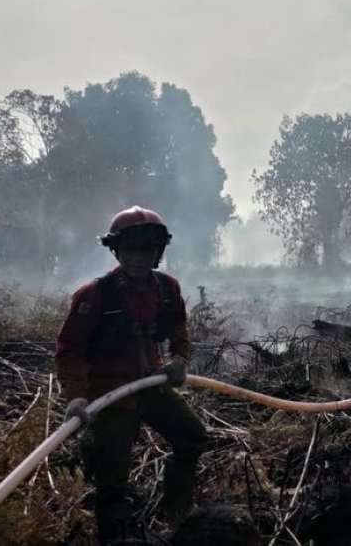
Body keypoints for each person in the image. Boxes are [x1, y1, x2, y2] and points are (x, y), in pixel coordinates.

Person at [55, 206, 208, 544]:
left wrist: (179, 359)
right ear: (117, 251)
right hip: (110, 397)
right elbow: (70, 348)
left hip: (151, 386)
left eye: (146, 250)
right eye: (129, 250)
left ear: (158, 253)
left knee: (194, 438)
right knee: (112, 481)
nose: (138, 258)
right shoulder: (94, 296)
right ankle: (116, 537)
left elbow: (179, 327)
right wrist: (77, 395)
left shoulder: (167, 289)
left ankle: (178, 512)